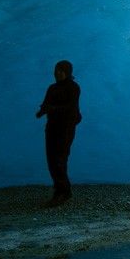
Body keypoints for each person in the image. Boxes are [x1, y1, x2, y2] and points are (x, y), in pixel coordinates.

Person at [36, 60, 82, 206]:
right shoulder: (52, 88)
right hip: (52, 128)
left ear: (67, 72)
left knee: (59, 159)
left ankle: (63, 192)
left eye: (61, 70)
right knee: (51, 160)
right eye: (56, 70)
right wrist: (42, 111)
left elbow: (71, 108)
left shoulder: (73, 87)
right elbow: (46, 103)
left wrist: (52, 108)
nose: (57, 73)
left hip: (66, 128)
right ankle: (60, 190)